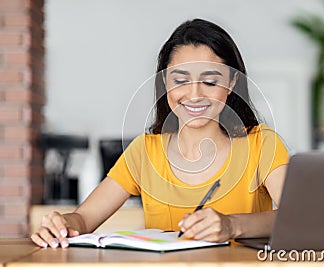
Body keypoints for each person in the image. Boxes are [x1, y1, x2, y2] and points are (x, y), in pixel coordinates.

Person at [31, 18, 289, 248]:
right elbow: (84, 218)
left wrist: (232, 225)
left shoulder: (262, 145)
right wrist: (62, 223)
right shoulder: (145, 151)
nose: (195, 94)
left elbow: (298, 217)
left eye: (210, 81)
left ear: (231, 83)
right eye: (180, 81)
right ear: (165, 82)